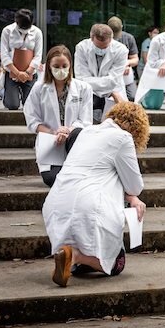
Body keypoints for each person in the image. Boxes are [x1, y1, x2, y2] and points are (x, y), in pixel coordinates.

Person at [43, 101, 148, 287]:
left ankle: (70, 256)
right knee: (117, 264)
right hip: (88, 204)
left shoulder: (86, 132)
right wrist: (132, 196)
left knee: (81, 264)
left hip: (55, 201)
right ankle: (74, 255)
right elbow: (135, 185)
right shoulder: (123, 138)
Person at [23, 45, 92, 186]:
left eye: (64, 65)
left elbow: (85, 120)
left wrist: (67, 131)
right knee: (52, 179)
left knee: (78, 134)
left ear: (70, 65)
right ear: (49, 66)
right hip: (50, 142)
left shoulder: (84, 88)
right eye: (56, 66)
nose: (61, 70)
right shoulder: (38, 88)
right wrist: (54, 132)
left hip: (74, 140)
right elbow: (32, 119)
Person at [74, 23, 129, 122]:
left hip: (114, 95)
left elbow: (113, 81)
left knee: (112, 125)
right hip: (98, 93)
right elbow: (81, 79)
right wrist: (110, 91)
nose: (101, 50)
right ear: (91, 38)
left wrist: (106, 88)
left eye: (105, 47)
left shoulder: (121, 50)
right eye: (98, 46)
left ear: (111, 40)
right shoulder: (81, 48)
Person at [0, 8, 43, 110]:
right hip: (12, 72)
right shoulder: (7, 31)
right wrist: (17, 73)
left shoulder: (37, 32)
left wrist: (27, 72)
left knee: (30, 105)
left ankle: (22, 94)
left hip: (30, 73)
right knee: (12, 105)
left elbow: (38, 55)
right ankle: (6, 93)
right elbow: (4, 55)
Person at [107, 16, 140, 103]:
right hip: (109, 75)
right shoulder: (104, 39)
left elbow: (135, 59)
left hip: (126, 75)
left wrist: (127, 63)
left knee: (132, 97)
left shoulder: (129, 38)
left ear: (121, 27)